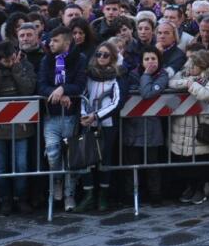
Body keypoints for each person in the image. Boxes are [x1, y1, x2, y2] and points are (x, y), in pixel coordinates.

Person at [37, 24, 88, 212]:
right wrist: (57, 93)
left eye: (55, 40)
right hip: (51, 116)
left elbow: (80, 85)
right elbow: (41, 85)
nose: (50, 43)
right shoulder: (46, 60)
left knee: (70, 157)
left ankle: (69, 194)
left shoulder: (80, 59)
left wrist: (64, 89)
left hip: (71, 116)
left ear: (66, 42)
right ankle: (57, 180)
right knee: (52, 152)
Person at [0, 40, 37, 215]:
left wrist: (17, 69)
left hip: (21, 126)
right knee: (0, 166)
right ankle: (5, 200)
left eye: (12, 58)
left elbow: (29, 89)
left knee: (21, 165)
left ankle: (21, 199)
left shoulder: (25, 66)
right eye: (6, 60)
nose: (9, 62)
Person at [168, 49, 209, 204]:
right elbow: (171, 82)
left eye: (194, 65)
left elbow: (207, 94)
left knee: (200, 161)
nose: (190, 67)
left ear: (203, 65)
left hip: (201, 125)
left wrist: (191, 84)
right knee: (184, 162)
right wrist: (187, 82)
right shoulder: (186, 75)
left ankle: (200, 188)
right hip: (183, 123)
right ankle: (190, 187)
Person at [75, 41, 124, 212]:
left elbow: (116, 102)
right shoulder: (88, 74)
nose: (101, 57)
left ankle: (103, 196)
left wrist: (97, 115)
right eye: (98, 54)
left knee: (105, 160)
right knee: (85, 159)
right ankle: (88, 196)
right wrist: (84, 115)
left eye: (105, 55)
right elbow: (83, 96)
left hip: (107, 124)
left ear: (112, 57)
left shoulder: (117, 76)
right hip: (88, 122)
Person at [122, 45, 169, 207]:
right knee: (131, 164)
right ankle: (130, 195)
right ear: (141, 61)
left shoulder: (162, 75)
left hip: (152, 127)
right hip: (133, 126)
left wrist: (147, 76)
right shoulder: (132, 75)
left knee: (152, 164)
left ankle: (155, 195)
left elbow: (147, 93)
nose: (150, 62)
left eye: (153, 59)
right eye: (147, 59)